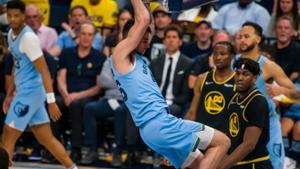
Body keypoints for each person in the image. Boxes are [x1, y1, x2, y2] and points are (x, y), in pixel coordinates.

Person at [110, 0, 231, 168]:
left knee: (200, 163)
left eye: (147, 40)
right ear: (130, 37)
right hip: (161, 125)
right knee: (222, 142)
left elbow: (148, 23)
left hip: (154, 129)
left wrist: (147, 4)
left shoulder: (136, 58)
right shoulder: (121, 55)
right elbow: (143, 20)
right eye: (143, 40)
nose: (147, 44)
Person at [2, 1, 77, 168]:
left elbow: (44, 71)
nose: (13, 19)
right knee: (46, 138)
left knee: (8, 134)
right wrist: (9, 95)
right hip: (24, 91)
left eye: (16, 16)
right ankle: (73, 167)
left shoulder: (29, 38)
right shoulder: (10, 34)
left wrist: (51, 102)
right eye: (10, 16)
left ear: (23, 17)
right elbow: (17, 64)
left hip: (31, 93)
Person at [238, 21, 296, 169]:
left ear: (258, 39)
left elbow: (297, 95)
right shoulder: (233, 63)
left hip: (267, 126)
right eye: (239, 37)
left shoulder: (268, 66)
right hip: (240, 124)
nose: (242, 40)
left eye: (246, 36)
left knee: (274, 165)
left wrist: (283, 92)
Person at [220, 58, 272, 169]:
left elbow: (249, 145)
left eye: (245, 74)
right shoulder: (233, 98)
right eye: (237, 74)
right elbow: (228, 134)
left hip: (255, 164)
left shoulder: (257, 102)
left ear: (254, 78)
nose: (240, 78)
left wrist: (222, 166)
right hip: (236, 163)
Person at [185, 41, 236, 135]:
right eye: (215, 54)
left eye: (222, 54)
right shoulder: (202, 78)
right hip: (202, 131)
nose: (218, 57)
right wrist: (184, 132)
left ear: (232, 56)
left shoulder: (237, 81)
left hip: (224, 135)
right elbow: (193, 110)